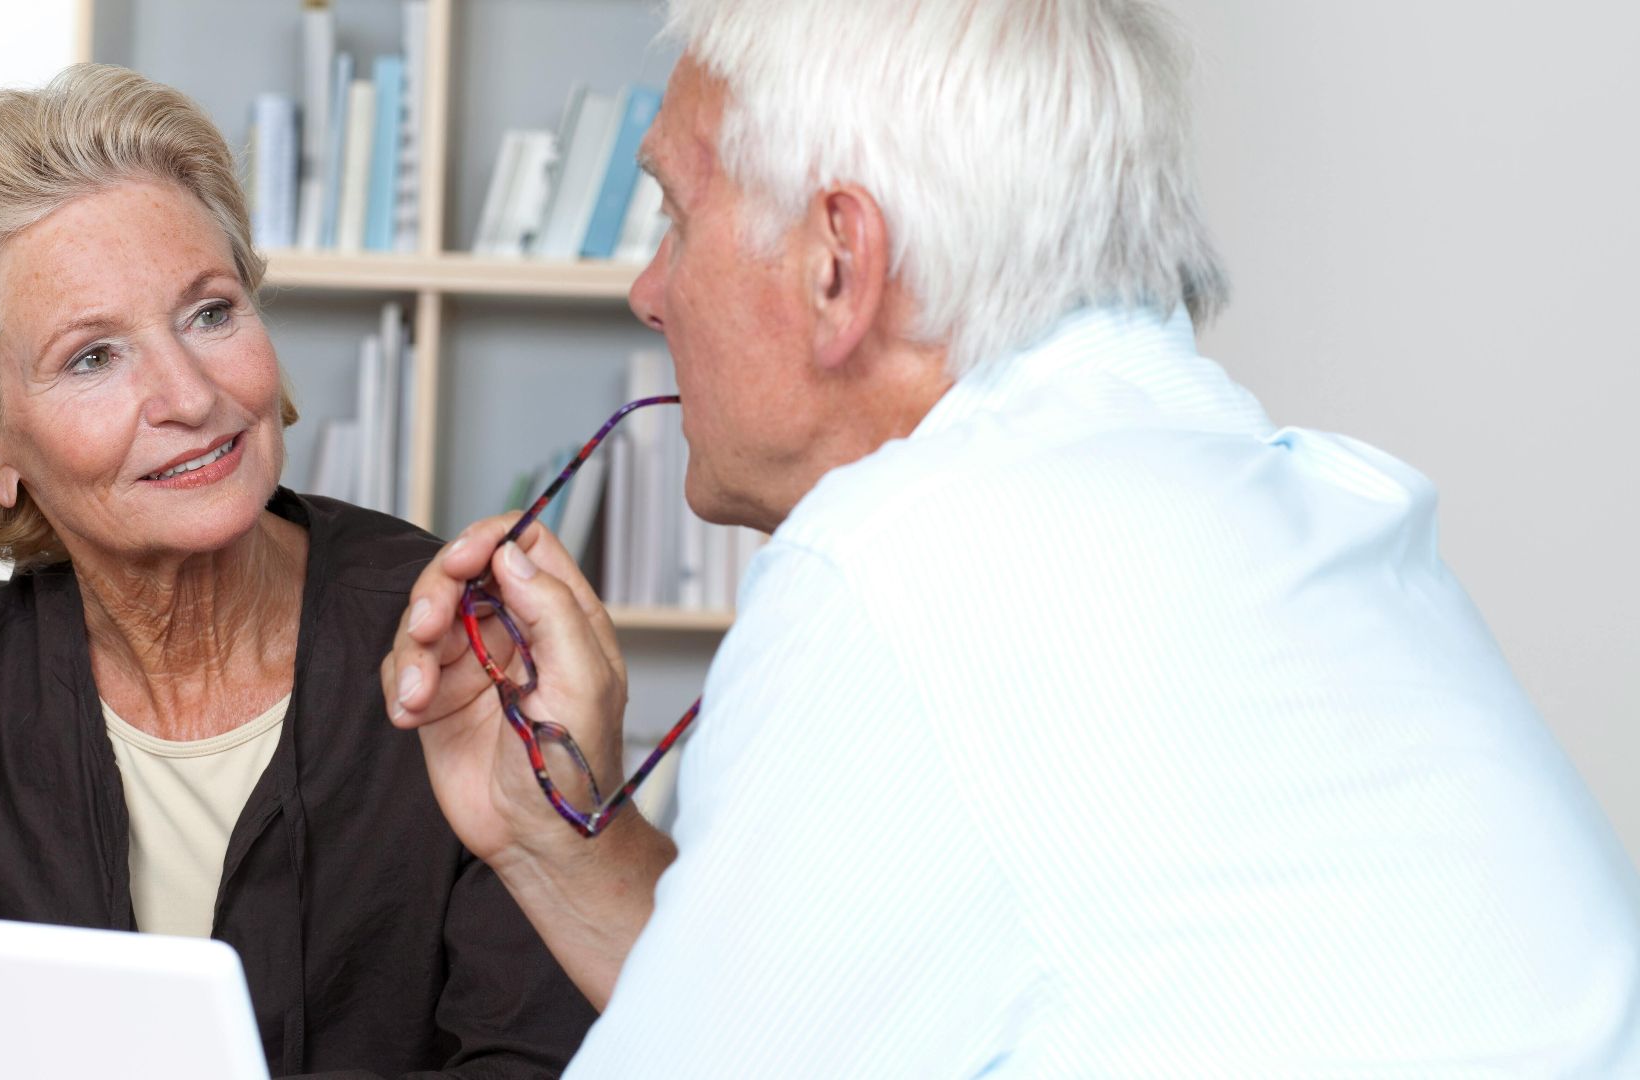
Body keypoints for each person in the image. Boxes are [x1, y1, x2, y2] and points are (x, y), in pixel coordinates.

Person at [383, 0, 1640, 1075]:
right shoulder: (1293, 499)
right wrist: (556, 831)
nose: (647, 291)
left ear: (840, 265)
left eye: (675, 216)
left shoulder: (910, 563)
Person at [0, 64, 594, 1078]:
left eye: (210, 313)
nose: (189, 395)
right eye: (92, 358)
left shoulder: (456, 647)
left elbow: (546, 1061)